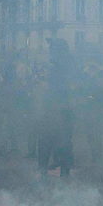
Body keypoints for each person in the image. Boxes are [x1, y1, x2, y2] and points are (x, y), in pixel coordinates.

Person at [38, 38, 76, 178]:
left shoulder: (64, 66)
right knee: (57, 141)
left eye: (52, 47)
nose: (50, 50)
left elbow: (65, 88)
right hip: (58, 110)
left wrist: (47, 85)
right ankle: (59, 172)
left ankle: (53, 174)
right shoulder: (59, 64)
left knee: (53, 140)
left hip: (60, 110)